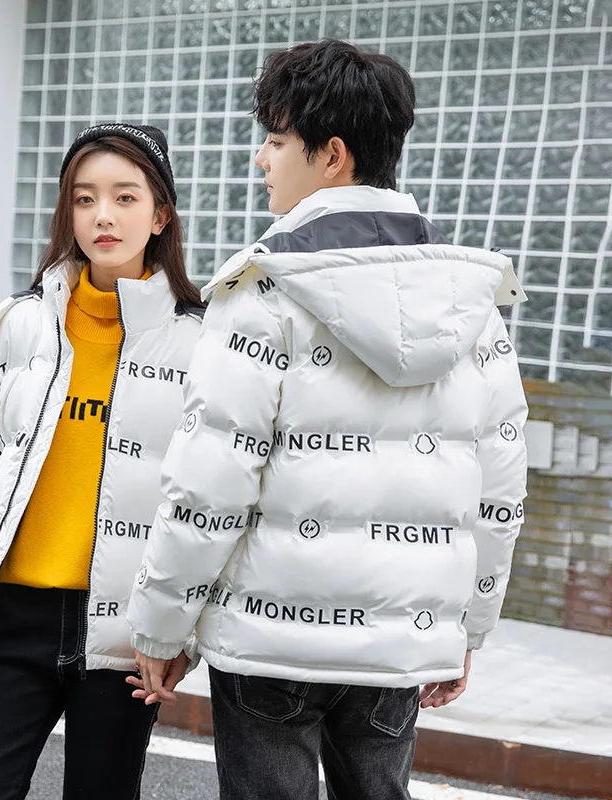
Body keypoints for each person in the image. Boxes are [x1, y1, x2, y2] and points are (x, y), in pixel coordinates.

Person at [126, 40, 528, 800]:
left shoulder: (263, 291)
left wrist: (163, 628)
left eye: (276, 142)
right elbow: (499, 490)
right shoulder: (468, 301)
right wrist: (466, 628)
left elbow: (211, 483)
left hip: (270, 640)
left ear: (332, 155)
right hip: (398, 646)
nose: (260, 159)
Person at [0, 123, 202, 800]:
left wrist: (180, 629)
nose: (103, 215)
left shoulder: (200, 342)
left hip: (125, 633)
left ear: (160, 215)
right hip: (13, 618)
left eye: (126, 197)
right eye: (84, 198)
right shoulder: (21, 325)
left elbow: (206, 503)